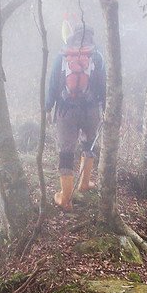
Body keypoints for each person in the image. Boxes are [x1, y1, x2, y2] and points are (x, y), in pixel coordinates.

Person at [46, 22, 106, 210]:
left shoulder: (62, 57)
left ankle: (66, 199)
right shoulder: (96, 56)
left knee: (66, 152)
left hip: (66, 110)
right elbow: (103, 86)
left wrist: (48, 108)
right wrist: (104, 108)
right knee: (89, 144)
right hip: (91, 110)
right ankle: (84, 183)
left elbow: (53, 84)